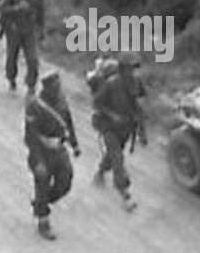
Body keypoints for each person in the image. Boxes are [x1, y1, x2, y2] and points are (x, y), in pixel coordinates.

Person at [24, 71, 80, 241]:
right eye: (54, 88)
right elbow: (30, 136)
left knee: (65, 181)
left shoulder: (61, 101)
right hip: (41, 150)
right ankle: (43, 221)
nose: (58, 90)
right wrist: (38, 161)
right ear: (46, 88)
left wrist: (75, 144)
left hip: (59, 148)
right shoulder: (35, 106)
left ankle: (41, 203)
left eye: (58, 87)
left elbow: (68, 122)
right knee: (42, 180)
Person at [87, 57, 140, 211]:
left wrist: (141, 129)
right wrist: (112, 115)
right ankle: (125, 194)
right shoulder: (110, 85)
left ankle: (101, 172)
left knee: (113, 154)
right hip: (108, 126)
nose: (133, 72)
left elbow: (138, 105)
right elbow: (96, 103)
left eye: (134, 69)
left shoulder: (135, 83)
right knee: (118, 157)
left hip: (125, 127)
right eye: (130, 69)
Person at [0, 0, 47, 93]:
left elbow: (41, 10)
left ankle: (31, 85)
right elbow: (1, 8)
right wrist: (17, 8)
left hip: (29, 29)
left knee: (33, 59)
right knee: (12, 56)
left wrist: (41, 29)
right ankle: (11, 78)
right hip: (13, 28)